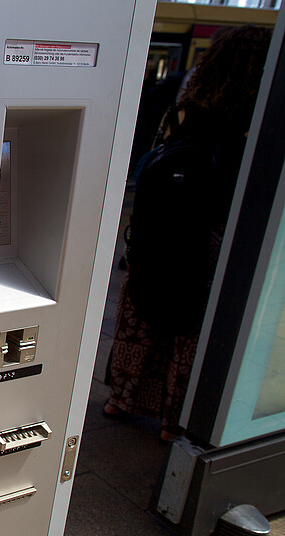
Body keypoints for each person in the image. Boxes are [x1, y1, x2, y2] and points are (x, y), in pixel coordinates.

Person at [105, 25, 272, 441]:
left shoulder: (183, 92)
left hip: (158, 232)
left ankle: (122, 398)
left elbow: (147, 142)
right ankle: (172, 419)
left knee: (139, 317)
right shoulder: (255, 110)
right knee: (190, 328)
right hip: (207, 235)